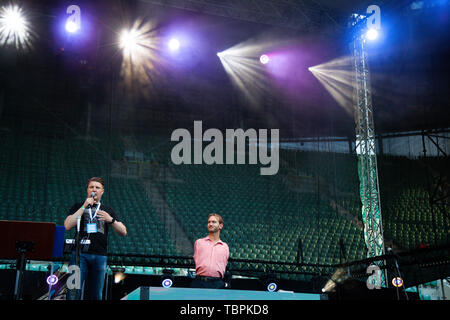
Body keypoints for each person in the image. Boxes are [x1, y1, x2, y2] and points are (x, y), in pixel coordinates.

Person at [64, 177, 127, 300]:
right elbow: (67, 225)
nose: (94, 189)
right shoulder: (78, 206)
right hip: (79, 255)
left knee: (96, 294)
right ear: (87, 190)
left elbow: (123, 231)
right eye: (91, 187)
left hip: (100, 256)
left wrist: (111, 220)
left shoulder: (108, 210)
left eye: (97, 187)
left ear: (102, 191)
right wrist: (83, 207)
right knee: (73, 292)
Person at [191, 213, 229, 289]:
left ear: (220, 226)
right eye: (209, 222)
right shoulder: (199, 243)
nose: (210, 224)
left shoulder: (225, 247)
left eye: (214, 222)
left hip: (217, 284)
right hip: (199, 282)